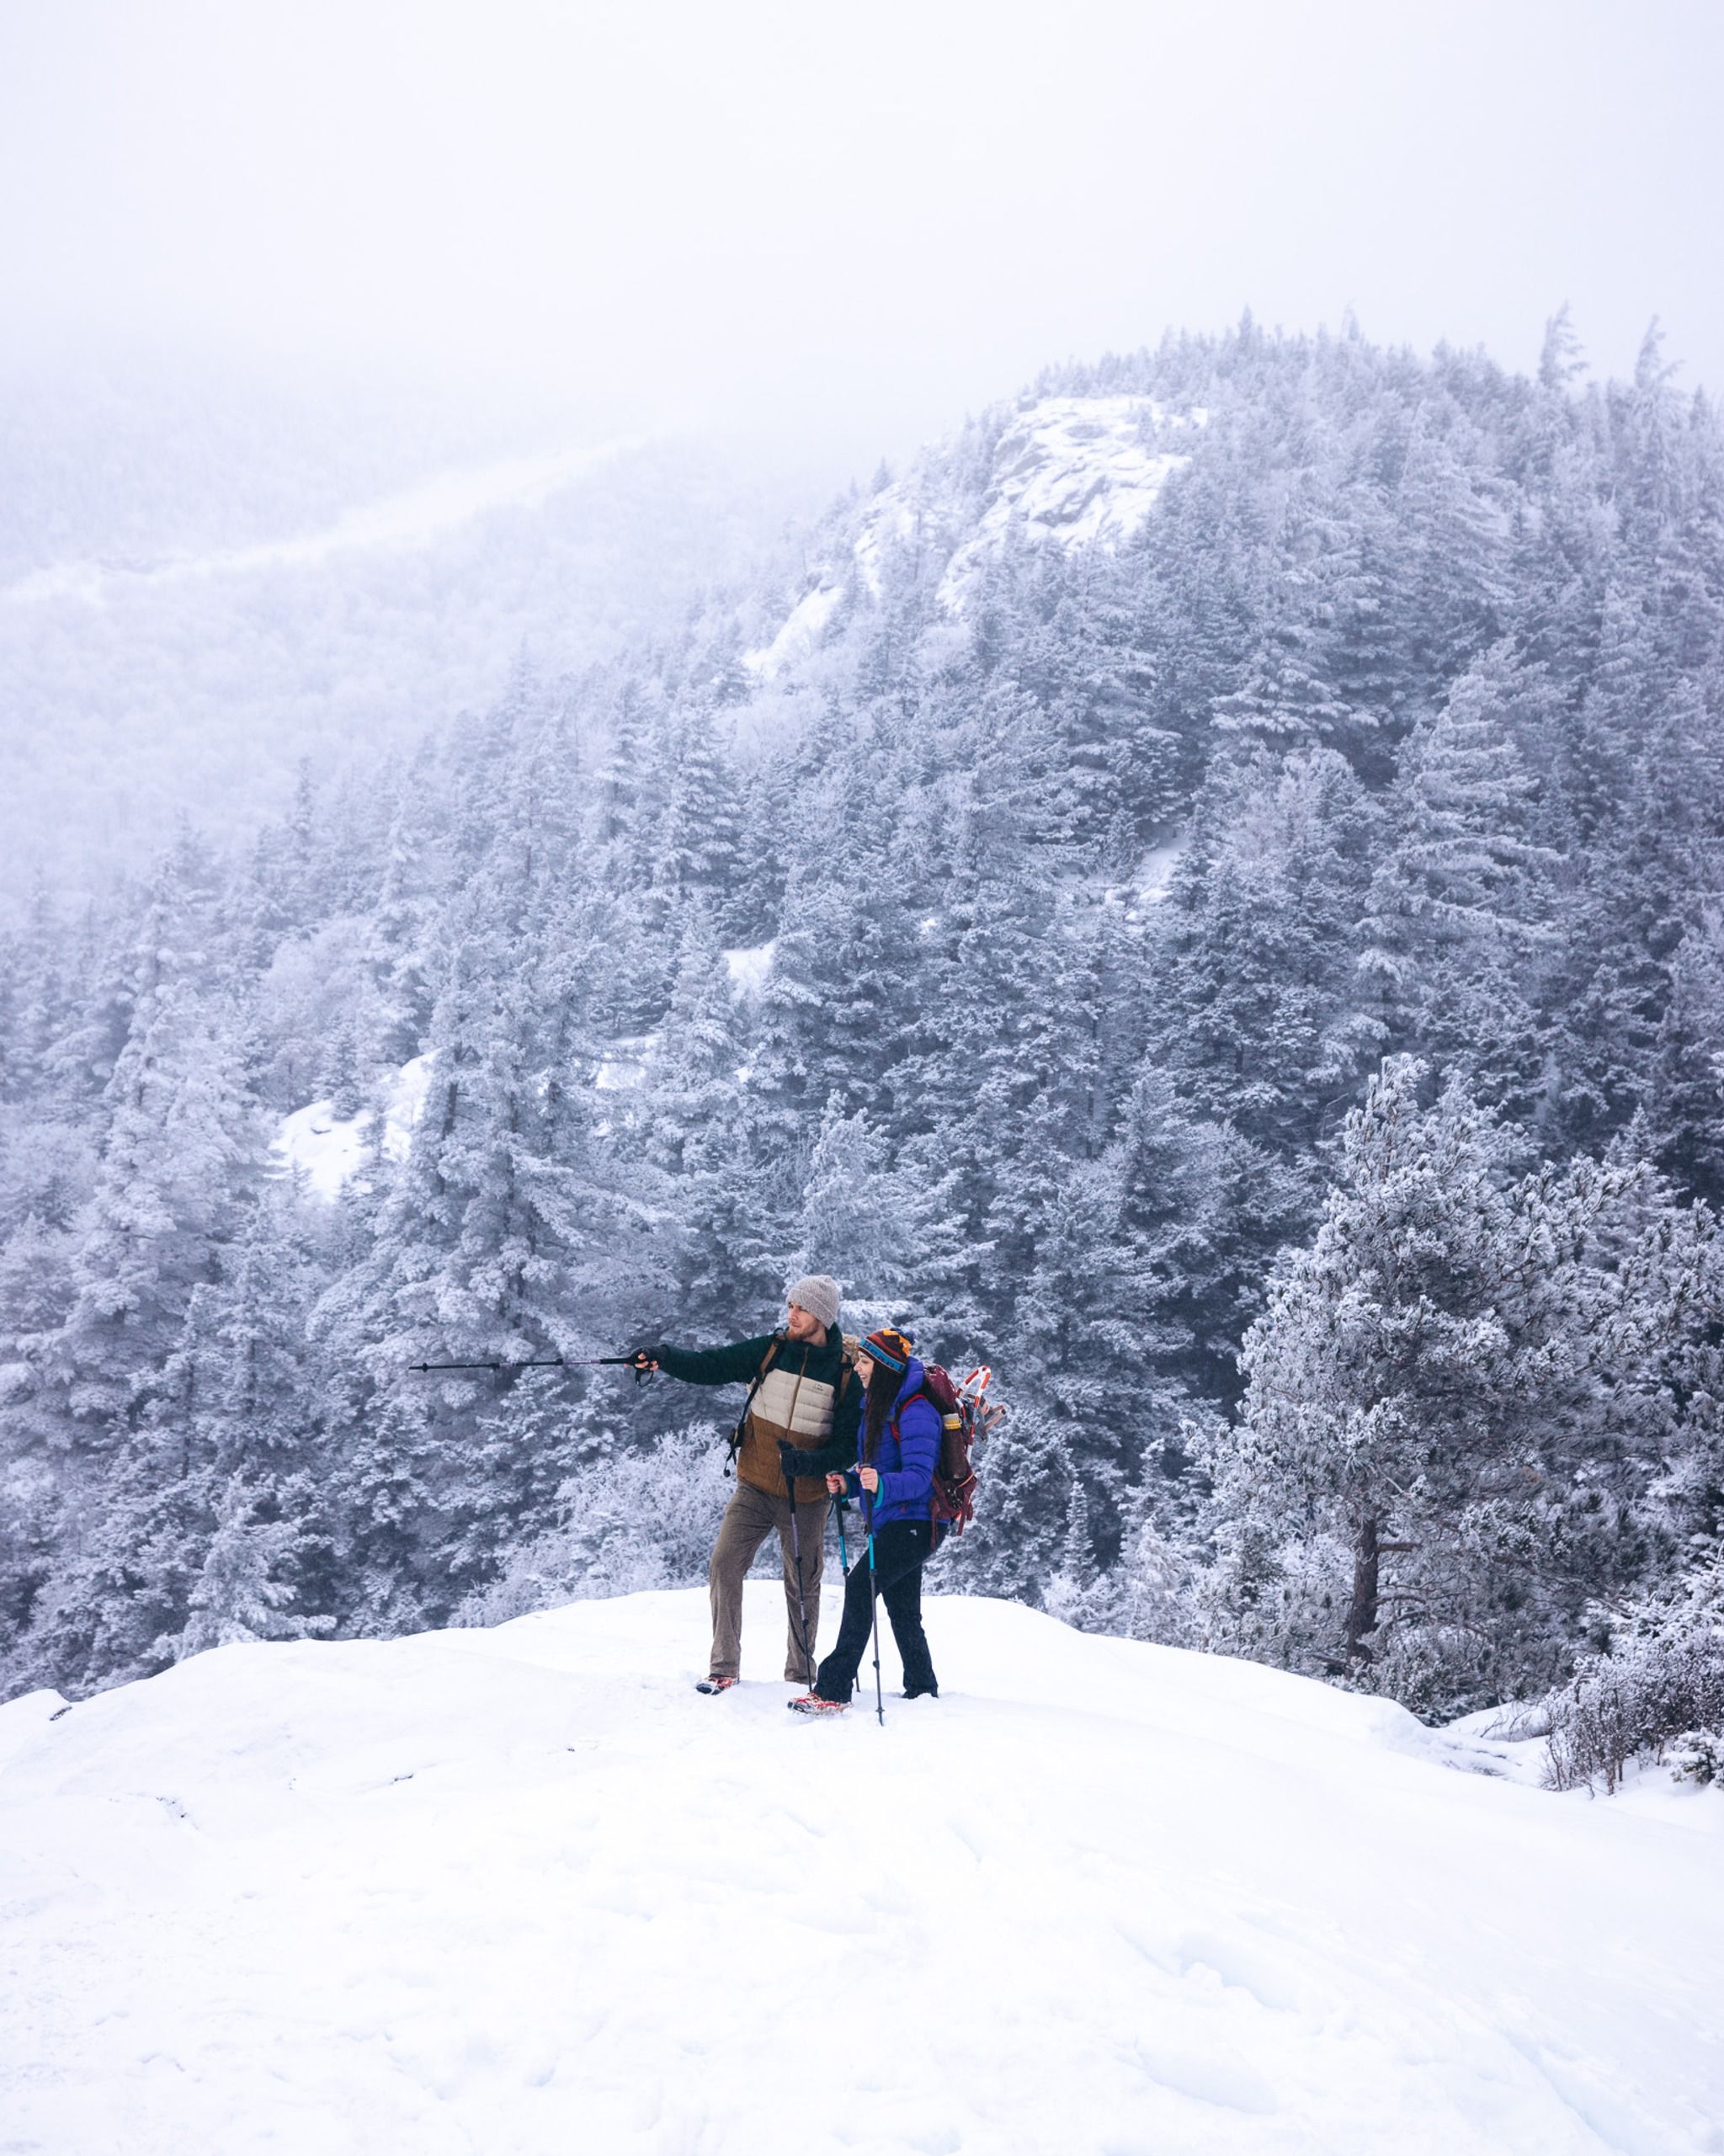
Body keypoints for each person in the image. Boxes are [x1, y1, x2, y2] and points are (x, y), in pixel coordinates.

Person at [629, 1275, 859, 1692]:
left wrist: (809, 1462)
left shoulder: (844, 1373)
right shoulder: (769, 1350)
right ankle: (723, 1666)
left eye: (801, 1308)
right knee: (724, 1564)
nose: (792, 1313)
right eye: (790, 1304)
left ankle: (800, 1676)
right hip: (753, 1486)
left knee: (803, 1584)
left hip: (806, 1496)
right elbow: (711, 1365)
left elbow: (847, 1447)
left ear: (821, 1317)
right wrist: (662, 1357)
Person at [787, 1325, 941, 1714]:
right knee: (904, 1610)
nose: (858, 1368)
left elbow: (919, 1478)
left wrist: (879, 1483)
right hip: (895, 1521)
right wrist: (850, 1483)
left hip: (916, 1523)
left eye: (865, 1361)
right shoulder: (879, 1406)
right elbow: (878, 1471)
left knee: (860, 1588)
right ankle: (922, 1687)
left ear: (886, 1366)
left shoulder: (917, 1410)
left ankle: (834, 1688)